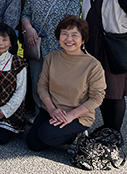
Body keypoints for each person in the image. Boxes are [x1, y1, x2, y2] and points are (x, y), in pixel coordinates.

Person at [26, 16, 106, 152]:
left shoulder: (93, 65)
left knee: (46, 134)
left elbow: (97, 98)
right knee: (33, 143)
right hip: (52, 109)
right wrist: (51, 109)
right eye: (64, 34)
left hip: (77, 115)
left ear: (83, 39)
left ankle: (79, 135)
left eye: (74, 35)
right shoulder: (52, 57)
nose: (69, 39)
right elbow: (42, 85)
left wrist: (71, 116)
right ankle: (55, 130)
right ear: (59, 36)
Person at [22, 0, 81, 111]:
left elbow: (73, 22)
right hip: (37, 46)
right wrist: (29, 28)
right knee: (37, 81)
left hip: (60, 48)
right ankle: (38, 113)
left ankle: (58, 116)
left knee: (58, 85)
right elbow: (25, 14)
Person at [82, 0, 127, 132]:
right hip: (93, 48)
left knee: (115, 93)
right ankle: (107, 127)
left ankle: (114, 132)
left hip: (114, 48)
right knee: (100, 90)